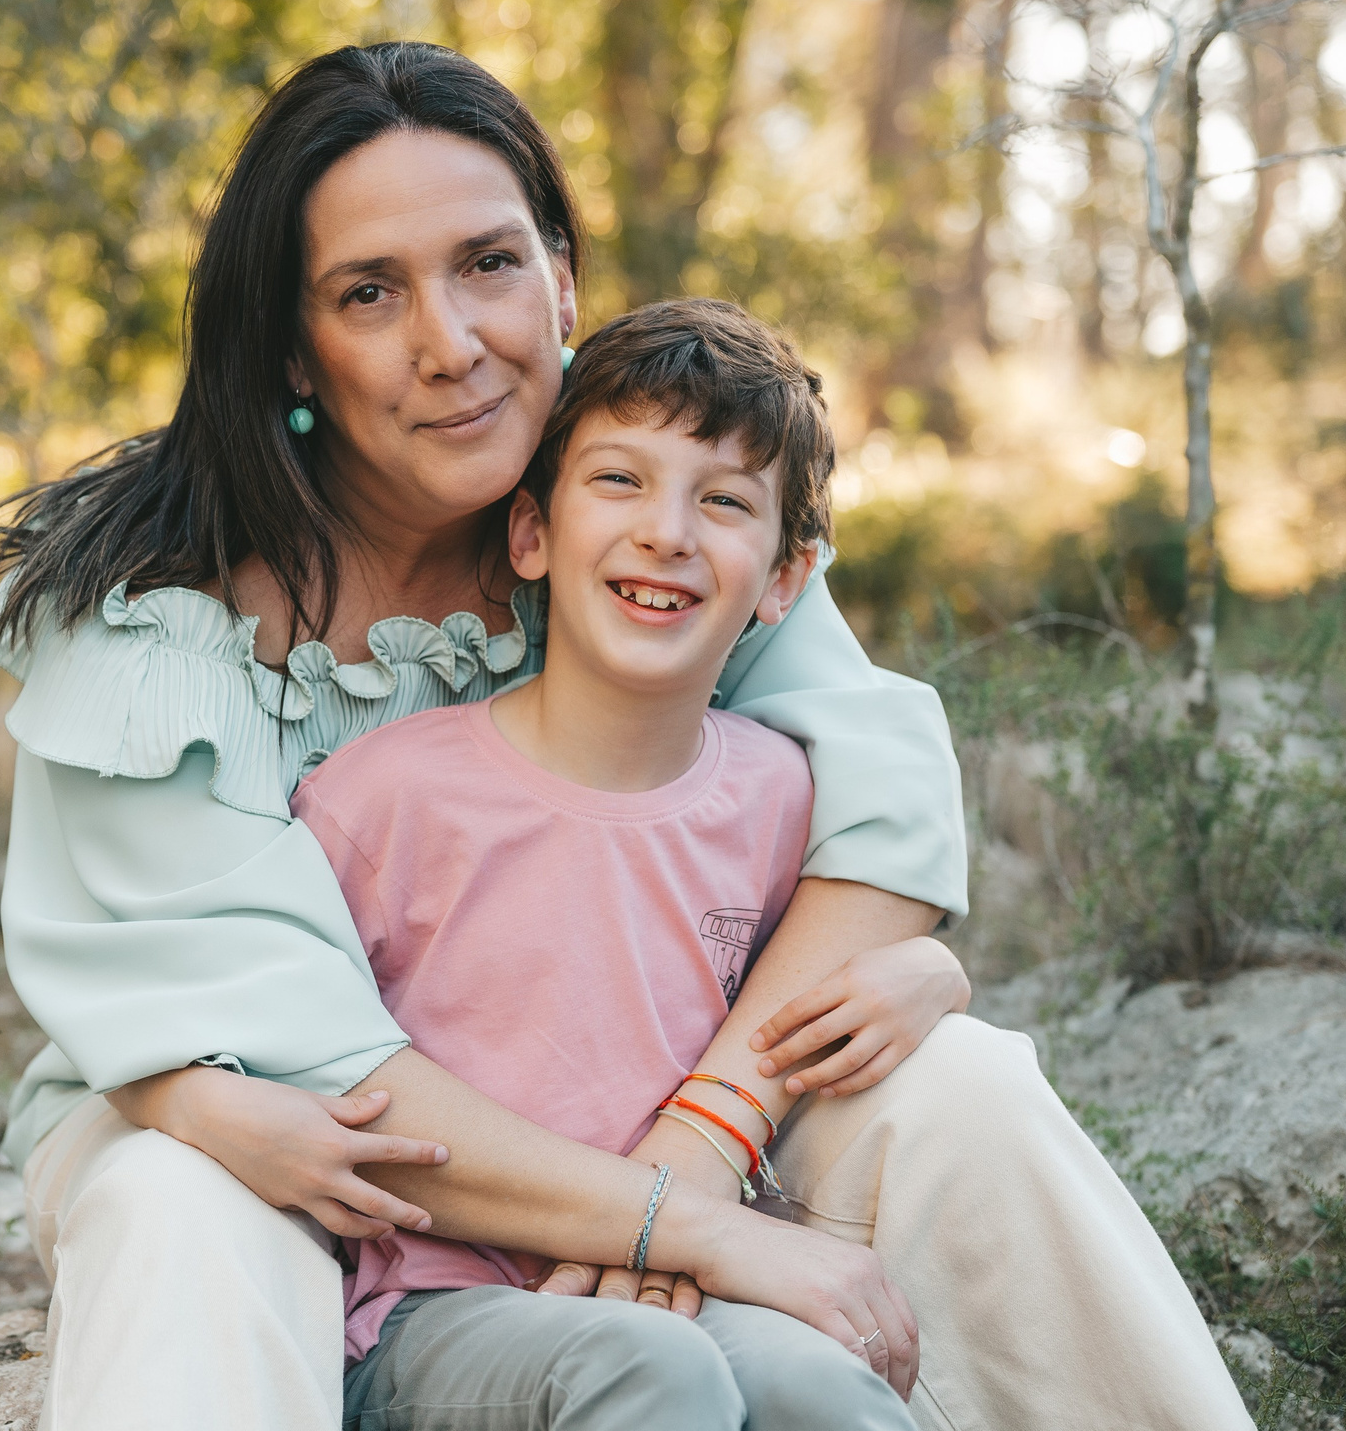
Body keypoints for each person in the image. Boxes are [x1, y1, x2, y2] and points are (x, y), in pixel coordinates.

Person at [0, 41, 1250, 1431]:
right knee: (192, 1192)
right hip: (277, 1129)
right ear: (295, 345)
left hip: (635, 1091)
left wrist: (709, 1141)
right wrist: (696, 1229)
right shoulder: (162, 632)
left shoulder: (645, 509)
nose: (452, 343)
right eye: (368, 293)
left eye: (489, 264)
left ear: (562, 277)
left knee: (959, 1083)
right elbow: (323, 1071)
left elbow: (878, 826)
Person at [308, 298, 923, 1430]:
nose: (667, 533)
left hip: (691, 1288)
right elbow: (307, 1065)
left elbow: (842, 981)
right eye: (619, 482)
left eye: (724, 501)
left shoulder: (780, 798)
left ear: (783, 582)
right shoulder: (382, 799)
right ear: (529, 535)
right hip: (436, 1314)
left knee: (822, 1386)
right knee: (650, 1374)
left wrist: (931, 974)